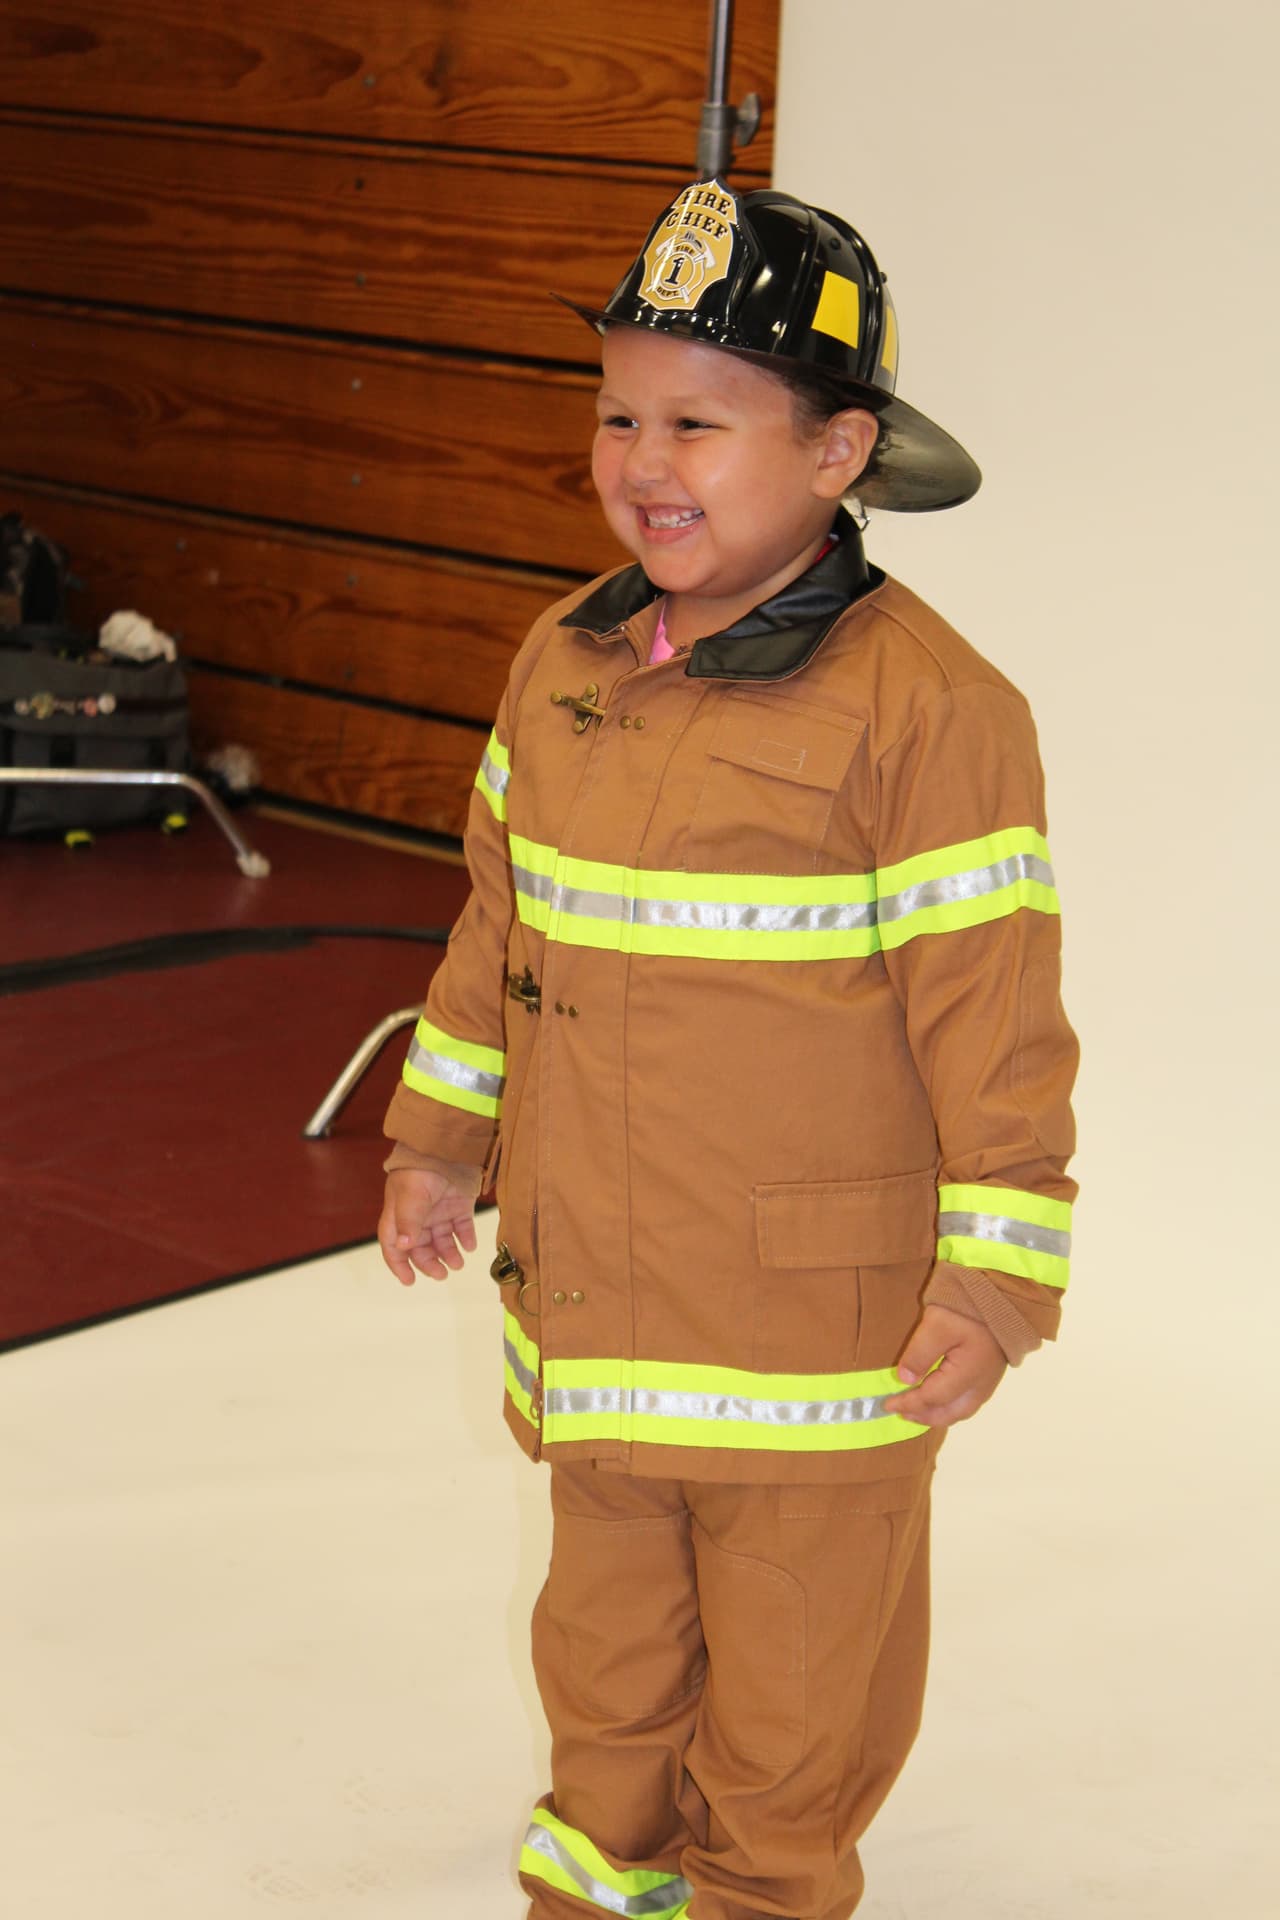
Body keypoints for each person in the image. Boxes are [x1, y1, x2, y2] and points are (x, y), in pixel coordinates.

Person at [378, 177, 1078, 1920]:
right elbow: (497, 932)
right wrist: (434, 1140)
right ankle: (598, 1888)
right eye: (618, 409)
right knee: (604, 1670)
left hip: (816, 1344)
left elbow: (994, 1013)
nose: (643, 455)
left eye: (699, 418)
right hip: (600, 1311)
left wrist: (992, 1279)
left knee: (794, 1697)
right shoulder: (561, 664)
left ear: (839, 455)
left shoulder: (932, 711)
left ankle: (763, 1896)